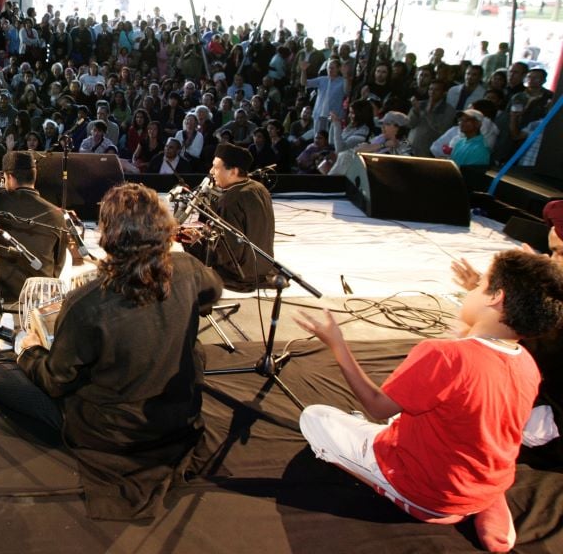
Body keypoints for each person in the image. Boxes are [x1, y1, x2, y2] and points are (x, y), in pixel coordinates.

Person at [0, 183, 223, 519]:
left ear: (108, 236)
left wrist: (29, 350)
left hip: (110, 432)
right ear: (163, 228)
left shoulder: (88, 302)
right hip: (176, 416)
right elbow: (213, 291)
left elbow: (55, 380)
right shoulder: (188, 270)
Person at [296, 250, 563, 553]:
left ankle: (417, 498)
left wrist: (337, 345)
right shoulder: (527, 363)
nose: (471, 291)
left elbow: (376, 406)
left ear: (494, 297)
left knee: (314, 416)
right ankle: (486, 499)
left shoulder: (444, 355)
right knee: (438, 415)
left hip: (428, 491)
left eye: (479, 286)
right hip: (486, 477)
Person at [0, 151, 68, 309]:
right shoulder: (57, 215)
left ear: (8, 176)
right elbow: (59, 261)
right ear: (34, 175)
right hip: (36, 294)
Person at [186, 142, 276, 293]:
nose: (211, 171)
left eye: (216, 167)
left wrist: (200, 237)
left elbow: (229, 253)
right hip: (263, 266)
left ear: (233, 172)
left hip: (241, 274)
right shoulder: (260, 188)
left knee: (188, 240)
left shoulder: (230, 200)